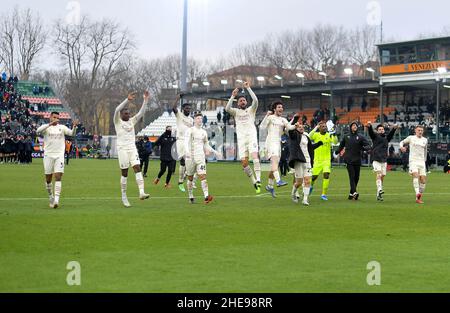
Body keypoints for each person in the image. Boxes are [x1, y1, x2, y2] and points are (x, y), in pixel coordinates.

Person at [114, 91, 150, 208]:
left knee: (137, 167)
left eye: (129, 113)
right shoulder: (117, 121)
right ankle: (124, 196)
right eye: (125, 113)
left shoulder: (132, 121)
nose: (128, 115)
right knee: (125, 173)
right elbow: (116, 109)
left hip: (132, 148)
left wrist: (145, 100)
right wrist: (127, 99)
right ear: (121, 114)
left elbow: (141, 113)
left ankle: (141, 192)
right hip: (122, 149)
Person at [36, 112, 79, 208]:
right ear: (50, 117)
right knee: (48, 179)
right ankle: (51, 196)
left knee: (58, 176)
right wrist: (49, 124)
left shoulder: (62, 128)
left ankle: (56, 200)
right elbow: (38, 131)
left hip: (59, 155)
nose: (56, 119)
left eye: (58, 118)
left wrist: (74, 127)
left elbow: (72, 134)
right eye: (54, 117)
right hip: (48, 155)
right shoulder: (46, 128)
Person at [225, 82, 262, 193]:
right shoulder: (236, 112)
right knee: (244, 164)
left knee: (255, 157)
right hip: (241, 140)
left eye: (244, 100)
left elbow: (256, 101)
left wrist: (248, 88)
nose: (242, 102)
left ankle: (259, 179)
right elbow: (227, 108)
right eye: (240, 101)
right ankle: (254, 181)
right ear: (238, 104)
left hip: (251, 138)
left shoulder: (251, 110)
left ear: (246, 102)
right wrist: (233, 96)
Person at [260, 101, 297, 198]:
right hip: (270, 143)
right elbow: (262, 127)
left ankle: (269, 186)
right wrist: (266, 116)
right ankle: (279, 181)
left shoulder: (283, 120)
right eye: (279, 107)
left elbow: (289, 128)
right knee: (275, 162)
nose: (281, 108)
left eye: (282, 107)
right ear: (274, 109)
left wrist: (295, 125)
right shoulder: (270, 118)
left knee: (274, 166)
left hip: (278, 144)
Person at [184, 111, 220, 204]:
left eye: (201, 118)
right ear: (194, 120)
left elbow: (206, 145)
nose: (200, 120)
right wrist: (187, 152)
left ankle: (206, 196)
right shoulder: (190, 130)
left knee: (203, 176)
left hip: (200, 157)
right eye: (198, 118)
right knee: (190, 178)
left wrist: (215, 152)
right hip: (190, 157)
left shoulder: (204, 132)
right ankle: (191, 196)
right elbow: (185, 142)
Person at [287, 119, 323, 206]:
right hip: (298, 161)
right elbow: (290, 132)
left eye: (302, 127)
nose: (301, 127)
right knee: (298, 182)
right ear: (296, 129)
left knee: (307, 181)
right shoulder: (294, 136)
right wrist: (293, 126)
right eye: (299, 127)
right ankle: (293, 193)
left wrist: (318, 144)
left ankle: (305, 199)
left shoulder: (306, 137)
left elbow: (310, 148)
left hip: (307, 161)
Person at [337, 121, 371, 200]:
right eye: (353, 125)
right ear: (350, 127)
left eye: (356, 125)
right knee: (352, 176)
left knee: (357, 177)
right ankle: (355, 192)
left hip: (357, 159)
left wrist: (363, 148)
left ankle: (351, 194)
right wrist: (337, 151)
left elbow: (368, 145)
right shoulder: (346, 136)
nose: (355, 126)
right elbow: (341, 145)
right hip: (348, 159)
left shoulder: (361, 137)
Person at [367, 121, 398, 201]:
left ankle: (378, 193)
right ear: (377, 131)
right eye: (379, 129)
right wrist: (369, 126)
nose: (381, 130)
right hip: (376, 159)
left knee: (382, 176)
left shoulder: (386, 138)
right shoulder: (375, 137)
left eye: (382, 129)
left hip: (384, 160)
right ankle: (380, 189)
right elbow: (370, 132)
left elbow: (390, 134)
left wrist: (394, 128)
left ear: (384, 130)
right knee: (379, 174)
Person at [309, 120, 339, 201]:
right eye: (323, 126)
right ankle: (311, 186)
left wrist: (334, 133)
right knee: (314, 177)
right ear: (319, 128)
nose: (325, 127)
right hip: (317, 160)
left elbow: (335, 142)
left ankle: (324, 194)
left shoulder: (329, 135)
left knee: (326, 175)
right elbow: (309, 136)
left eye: (325, 126)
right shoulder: (316, 135)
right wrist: (316, 127)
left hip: (326, 160)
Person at [399, 125, 428, 204]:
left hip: (421, 162)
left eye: (421, 130)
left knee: (423, 181)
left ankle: (418, 197)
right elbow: (402, 142)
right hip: (413, 161)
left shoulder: (425, 140)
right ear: (415, 131)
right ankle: (417, 193)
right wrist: (401, 147)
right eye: (419, 130)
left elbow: (425, 151)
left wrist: (424, 161)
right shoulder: (411, 138)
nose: (420, 132)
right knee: (416, 175)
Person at [172, 94, 193, 192]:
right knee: (183, 161)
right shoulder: (179, 115)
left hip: (188, 141)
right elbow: (173, 108)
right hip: (180, 140)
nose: (188, 110)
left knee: (191, 161)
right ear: (183, 109)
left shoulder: (191, 119)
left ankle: (184, 176)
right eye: (187, 108)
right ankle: (180, 182)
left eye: (189, 108)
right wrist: (178, 98)